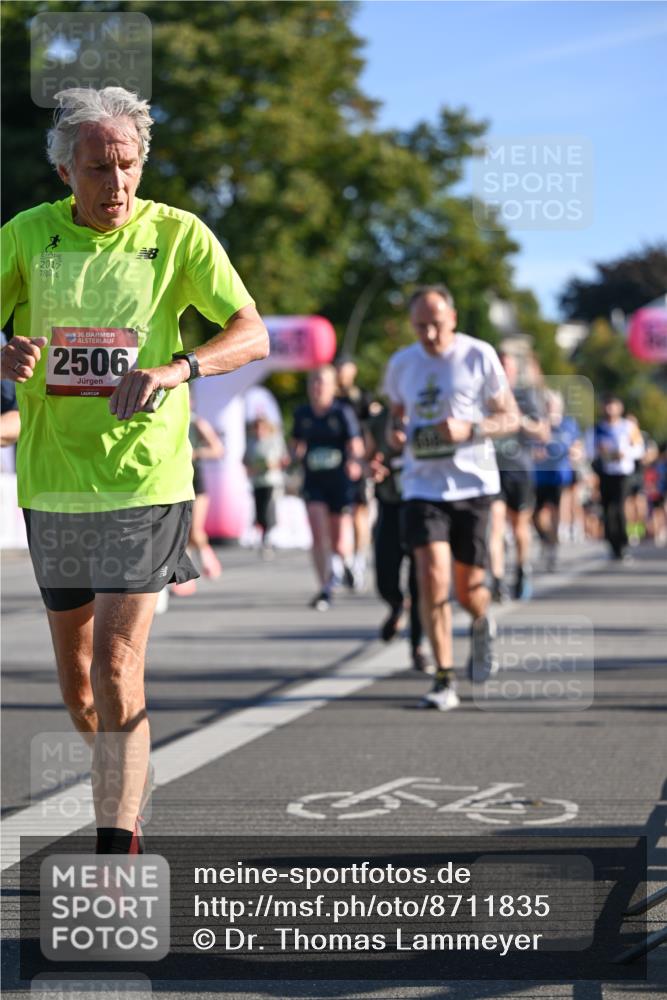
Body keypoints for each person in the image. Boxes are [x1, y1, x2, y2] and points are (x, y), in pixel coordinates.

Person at [0, 87, 269, 853]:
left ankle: (113, 845)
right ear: (64, 173)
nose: (116, 184)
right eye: (97, 168)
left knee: (119, 667)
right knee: (79, 686)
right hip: (54, 481)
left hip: (145, 481)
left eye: (128, 166)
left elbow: (251, 334)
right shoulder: (25, 238)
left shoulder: (178, 235)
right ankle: (123, 770)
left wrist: (178, 368)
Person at [384, 285, 520, 711]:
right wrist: (394, 435)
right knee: (429, 574)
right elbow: (394, 418)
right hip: (422, 486)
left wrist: (472, 428)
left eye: (436, 324)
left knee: (467, 591)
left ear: (453, 318)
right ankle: (444, 677)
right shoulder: (402, 364)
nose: (429, 334)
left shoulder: (478, 355)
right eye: (420, 325)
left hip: (473, 487)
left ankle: (482, 621)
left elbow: (510, 417)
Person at [291, 365, 364, 611]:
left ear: (333, 387)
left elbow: (356, 444)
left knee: (340, 541)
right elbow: (296, 443)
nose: (317, 387)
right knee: (317, 533)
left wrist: (354, 462)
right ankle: (325, 588)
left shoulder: (342, 413)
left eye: (322, 382)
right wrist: (292, 456)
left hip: (339, 481)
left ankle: (349, 563)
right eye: (313, 382)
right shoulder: (302, 413)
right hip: (314, 480)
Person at [365, 402, 431, 673]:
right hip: (389, 505)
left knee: (420, 580)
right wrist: (372, 468)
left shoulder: (429, 413)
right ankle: (395, 605)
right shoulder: (379, 421)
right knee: (384, 574)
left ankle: (418, 646)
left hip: (422, 505)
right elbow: (368, 457)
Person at [488, 350, 549, 602]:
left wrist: (519, 420)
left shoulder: (527, 396)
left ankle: (522, 570)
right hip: (491, 469)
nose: (503, 370)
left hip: (520, 470)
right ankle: (497, 579)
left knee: (520, 526)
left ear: (514, 371)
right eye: (499, 365)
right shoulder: (486, 396)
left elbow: (543, 433)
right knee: (495, 525)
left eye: (507, 366)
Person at [171, 389, 225, 596]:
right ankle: (184, 578)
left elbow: (217, 449)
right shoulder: (169, 422)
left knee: (195, 532)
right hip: (175, 482)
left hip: (196, 483)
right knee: (179, 532)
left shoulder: (196, 423)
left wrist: (195, 452)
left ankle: (206, 552)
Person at [532, 390, 582, 571]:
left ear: (559, 406)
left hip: (560, 474)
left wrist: (576, 453)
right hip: (538, 475)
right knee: (535, 514)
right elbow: (528, 448)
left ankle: (553, 548)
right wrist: (535, 454)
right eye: (547, 404)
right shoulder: (537, 424)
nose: (550, 407)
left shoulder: (569, 424)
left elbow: (577, 447)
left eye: (552, 404)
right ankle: (546, 539)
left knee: (555, 511)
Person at [335, 354, 374, 590]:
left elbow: (371, 428)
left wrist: (365, 459)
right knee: (339, 516)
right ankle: (344, 560)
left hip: (357, 460)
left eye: (345, 368)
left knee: (360, 512)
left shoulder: (362, 398)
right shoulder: (330, 398)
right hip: (336, 462)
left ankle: (359, 560)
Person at [593, 394, 645, 561]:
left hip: (623, 474)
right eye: (607, 405)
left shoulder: (628, 427)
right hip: (605, 473)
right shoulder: (597, 429)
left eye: (613, 405)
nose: (610, 409)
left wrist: (625, 453)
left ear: (619, 408)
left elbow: (639, 449)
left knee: (619, 507)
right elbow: (588, 451)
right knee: (608, 510)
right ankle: (612, 544)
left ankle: (623, 543)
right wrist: (601, 452)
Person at [243, 413, 288, 559]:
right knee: (260, 510)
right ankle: (263, 537)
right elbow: (245, 460)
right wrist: (252, 468)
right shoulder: (251, 443)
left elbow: (285, 459)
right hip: (257, 481)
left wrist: (273, 465)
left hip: (272, 481)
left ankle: (269, 538)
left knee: (270, 508)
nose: (259, 432)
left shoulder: (275, 440)